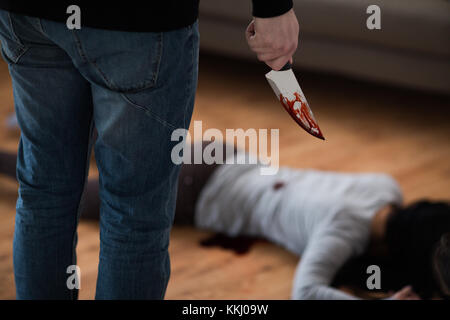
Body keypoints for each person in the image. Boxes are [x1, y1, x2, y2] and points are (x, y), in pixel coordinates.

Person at [0, 1, 299, 299]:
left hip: (27, 15)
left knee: (44, 193)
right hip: (136, 23)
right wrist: (272, 8)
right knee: (132, 217)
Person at [1, 143, 449, 299]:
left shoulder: (387, 186)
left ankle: (35, 119)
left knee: (106, 142)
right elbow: (307, 292)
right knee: (74, 196)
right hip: (196, 193)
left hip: (224, 154)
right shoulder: (341, 232)